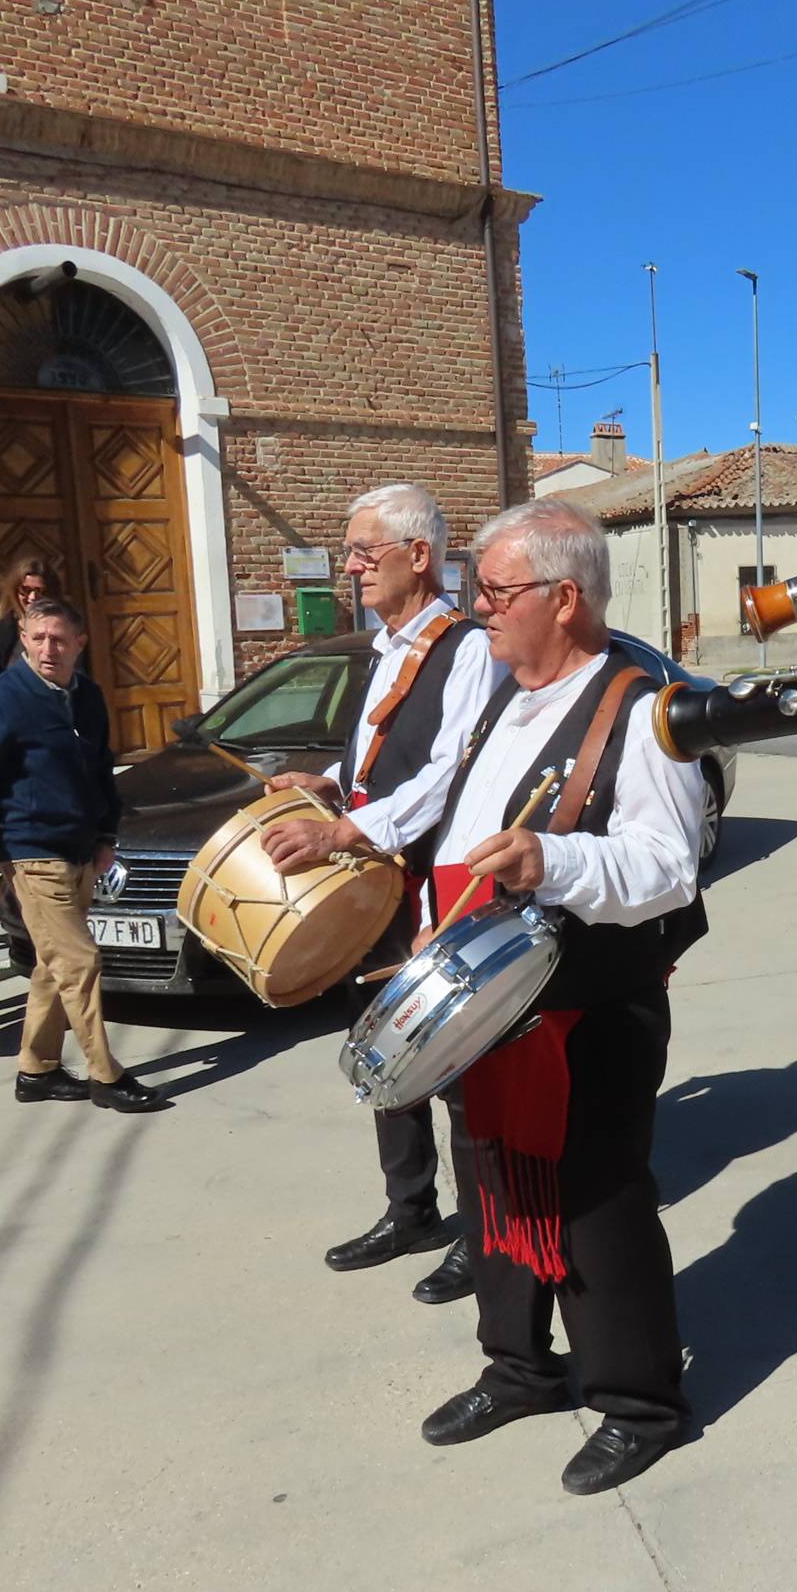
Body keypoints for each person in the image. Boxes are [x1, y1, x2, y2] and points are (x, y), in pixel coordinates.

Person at [410, 499, 707, 1497]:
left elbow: (668, 869)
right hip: (487, 995)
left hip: (593, 1004)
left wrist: (554, 857)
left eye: (495, 593)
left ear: (565, 598)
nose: (479, 612)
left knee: (596, 1205)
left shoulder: (644, 709)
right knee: (490, 1181)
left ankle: (640, 1403)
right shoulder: (505, 696)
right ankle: (518, 1367)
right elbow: (462, 832)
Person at [259, 483, 503, 1303]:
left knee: (455, 1060)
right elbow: (385, 759)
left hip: (440, 883)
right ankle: (410, 1210)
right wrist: (326, 784)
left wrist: (343, 833)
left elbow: (449, 774)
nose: (352, 566)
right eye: (350, 551)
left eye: (366, 550)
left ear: (419, 556)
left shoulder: (465, 648)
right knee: (382, 1046)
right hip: (381, 882)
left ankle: (481, 1234)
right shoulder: (388, 644)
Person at [0, 597, 166, 1114]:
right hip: (31, 853)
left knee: (53, 964)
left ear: (79, 643)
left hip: (81, 850)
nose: (49, 649)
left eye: (60, 639)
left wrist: (106, 836)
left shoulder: (86, 696)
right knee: (80, 961)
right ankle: (106, 1076)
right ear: (22, 637)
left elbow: (99, 772)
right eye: (38, 637)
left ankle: (36, 1069)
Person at [0, 553, 57, 674]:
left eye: (40, 591)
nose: (33, 597)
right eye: (25, 590)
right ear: (14, 591)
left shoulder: (66, 629)